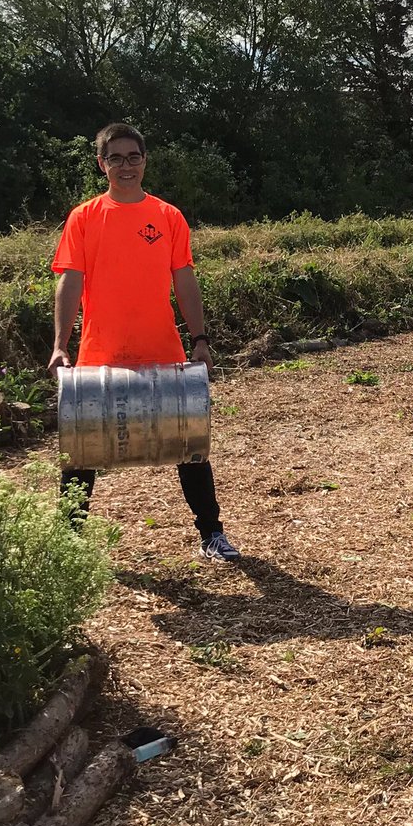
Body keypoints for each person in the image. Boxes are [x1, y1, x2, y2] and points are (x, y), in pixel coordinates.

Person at [48, 122, 241, 562]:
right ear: (102, 165)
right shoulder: (84, 217)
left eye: (133, 156)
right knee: (81, 453)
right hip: (101, 354)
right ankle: (66, 545)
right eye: (115, 157)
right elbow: (70, 282)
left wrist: (200, 338)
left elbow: (185, 281)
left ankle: (212, 534)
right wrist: (61, 343)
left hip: (162, 350)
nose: (125, 165)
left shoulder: (168, 216)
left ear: (144, 160)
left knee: (190, 446)